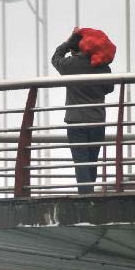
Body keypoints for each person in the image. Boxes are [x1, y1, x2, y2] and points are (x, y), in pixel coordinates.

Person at [51, 28, 115, 195]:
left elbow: (55, 59)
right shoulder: (102, 67)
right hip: (97, 121)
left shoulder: (70, 65)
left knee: (81, 162)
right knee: (92, 162)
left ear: (75, 47)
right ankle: (89, 194)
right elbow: (109, 88)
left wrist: (66, 43)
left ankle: (85, 198)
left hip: (76, 121)